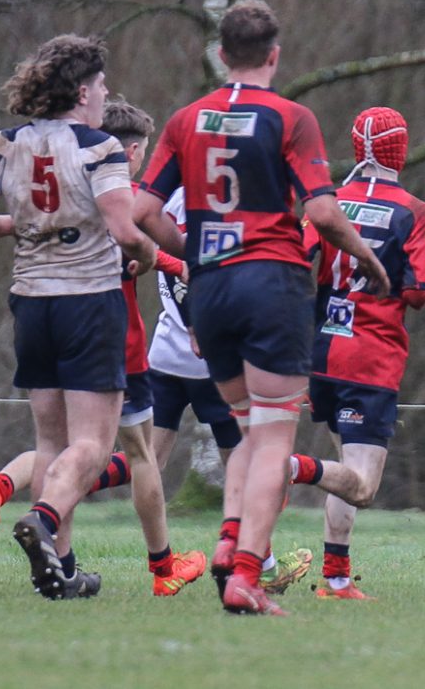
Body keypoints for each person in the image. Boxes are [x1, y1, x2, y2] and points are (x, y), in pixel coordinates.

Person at [134, 0, 387, 615]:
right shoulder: (291, 118)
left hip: (212, 291)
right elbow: (323, 213)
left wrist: (194, 253)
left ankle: (228, 540)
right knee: (275, 433)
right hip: (270, 285)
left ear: (222, 55)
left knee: (248, 427)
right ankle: (246, 572)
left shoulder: (185, 119)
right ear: (274, 55)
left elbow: (140, 213)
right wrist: (369, 260)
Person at [0, 34, 156, 600]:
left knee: (49, 441)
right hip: (88, 300)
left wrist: (18, 225)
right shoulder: (102, 148)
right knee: (92, 445)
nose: (106, 93)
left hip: (31, 301)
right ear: (85, 91)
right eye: (103, 86)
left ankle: (61, 570)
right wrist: (149, 256)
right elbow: (122, 229)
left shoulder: (1, 143)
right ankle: (40, 521)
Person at [287, 106, 425, 601]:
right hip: (371, 361)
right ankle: (287, 468)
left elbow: (295, 259)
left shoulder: (327, 202)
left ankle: (335, 579)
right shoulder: (416, 213)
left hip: (322, 354)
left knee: (345, 468)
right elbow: (418, 293)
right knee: (363, 485)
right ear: (402, 147)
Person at [145, 183, 315, 596]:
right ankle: (261, 564)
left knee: (142, 460)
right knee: (252, 459)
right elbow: (203, 273)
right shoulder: (216, 201)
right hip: (206, 359)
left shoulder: (166, 202)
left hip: (164, 355)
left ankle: (52, 511)